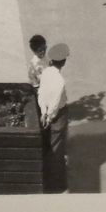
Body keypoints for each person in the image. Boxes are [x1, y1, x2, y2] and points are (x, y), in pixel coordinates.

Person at [37, 43, 70, 193]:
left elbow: (41, 94)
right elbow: (56, 102)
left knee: (49, 144)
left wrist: (44, 112)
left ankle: (51, 176)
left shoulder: (46, 73)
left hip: (45, 113)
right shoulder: (60, 80)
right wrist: (50, 116)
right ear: (63, 62)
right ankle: (56, 183)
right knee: (57, 146)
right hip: (57, 115)